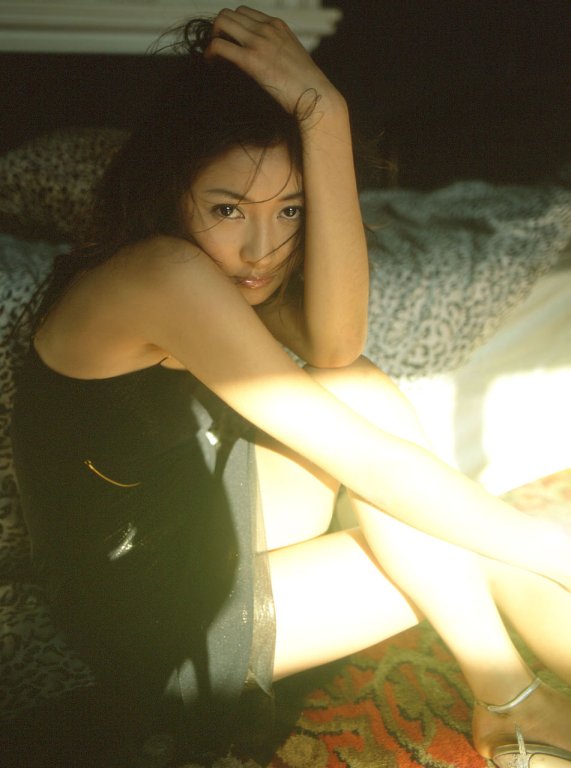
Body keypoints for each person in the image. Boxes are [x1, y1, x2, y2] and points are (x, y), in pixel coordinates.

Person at [10, 6, 571, 767]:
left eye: (289, 211)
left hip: (204, 514)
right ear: (172, 192)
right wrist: (549, 547)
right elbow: (369, 460)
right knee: (462, 542)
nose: (262, 247)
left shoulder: (220, 267)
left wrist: (326, 118)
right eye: (228, 208)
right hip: (149, 613)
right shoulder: (161, 275)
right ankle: (511, 702)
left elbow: (338, 348)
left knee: (359, 392)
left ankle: (515, 700)